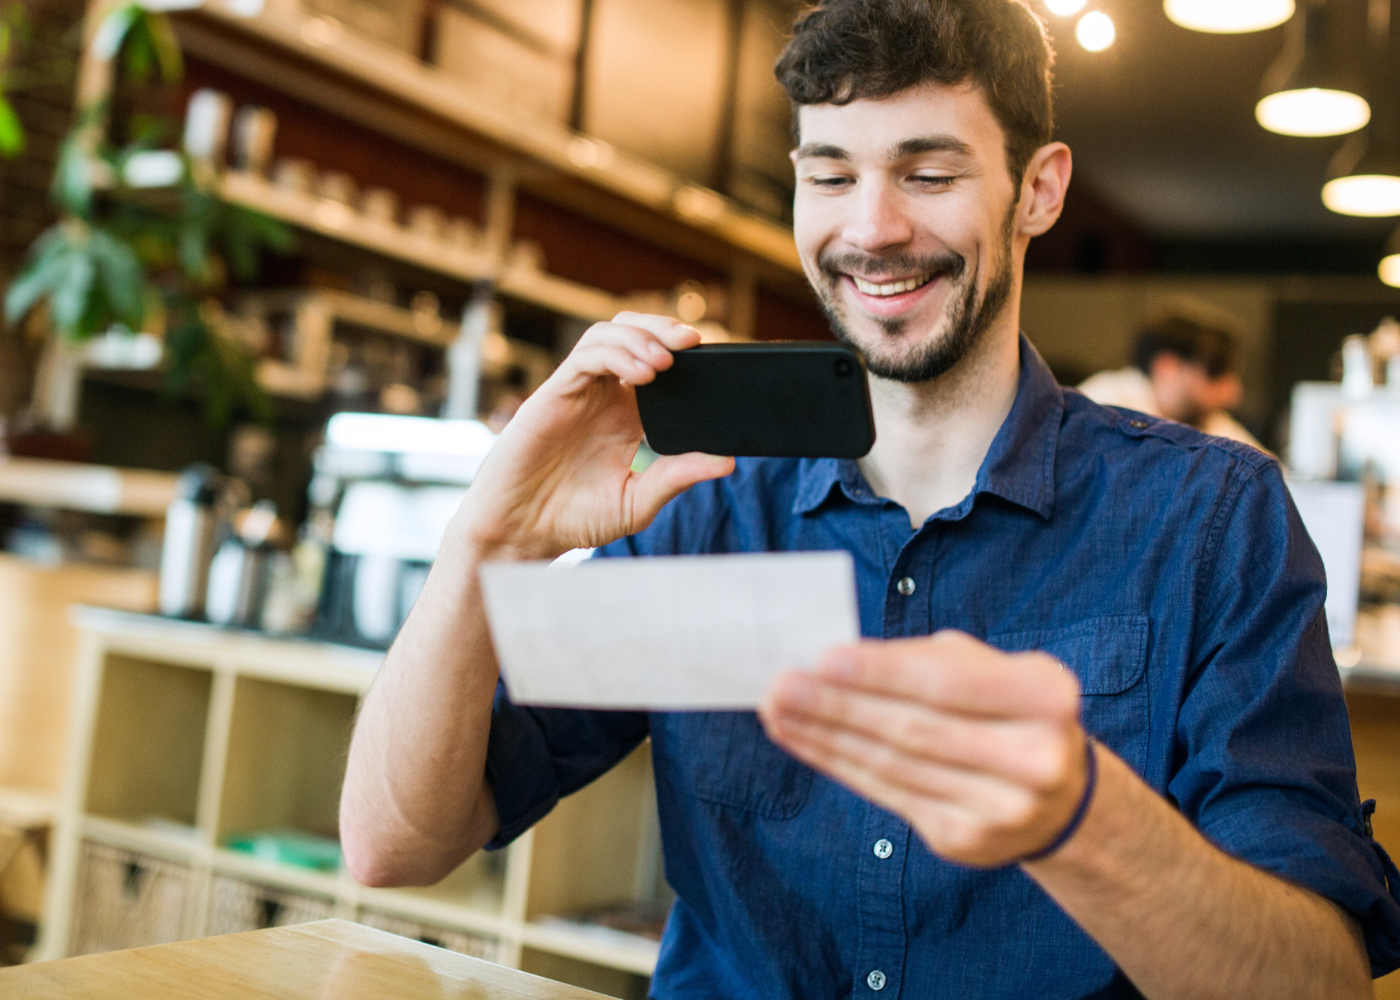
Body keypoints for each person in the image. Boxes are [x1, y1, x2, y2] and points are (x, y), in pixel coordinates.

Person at [339, 1, 1400, 996]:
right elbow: (398, 843)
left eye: (926, 173)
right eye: (829, 174)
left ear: (1037, 188)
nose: (871, 228)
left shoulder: (1208, 520)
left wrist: (1082, 821)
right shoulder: (710, 508)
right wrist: (486, 535)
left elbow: (1315, 975)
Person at [1078, 304, 1265, 449]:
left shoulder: (1204, 419)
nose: (1232, 394)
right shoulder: (1104, 408)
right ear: (1167, 367)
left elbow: (1273, 477)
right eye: (1215, 373)